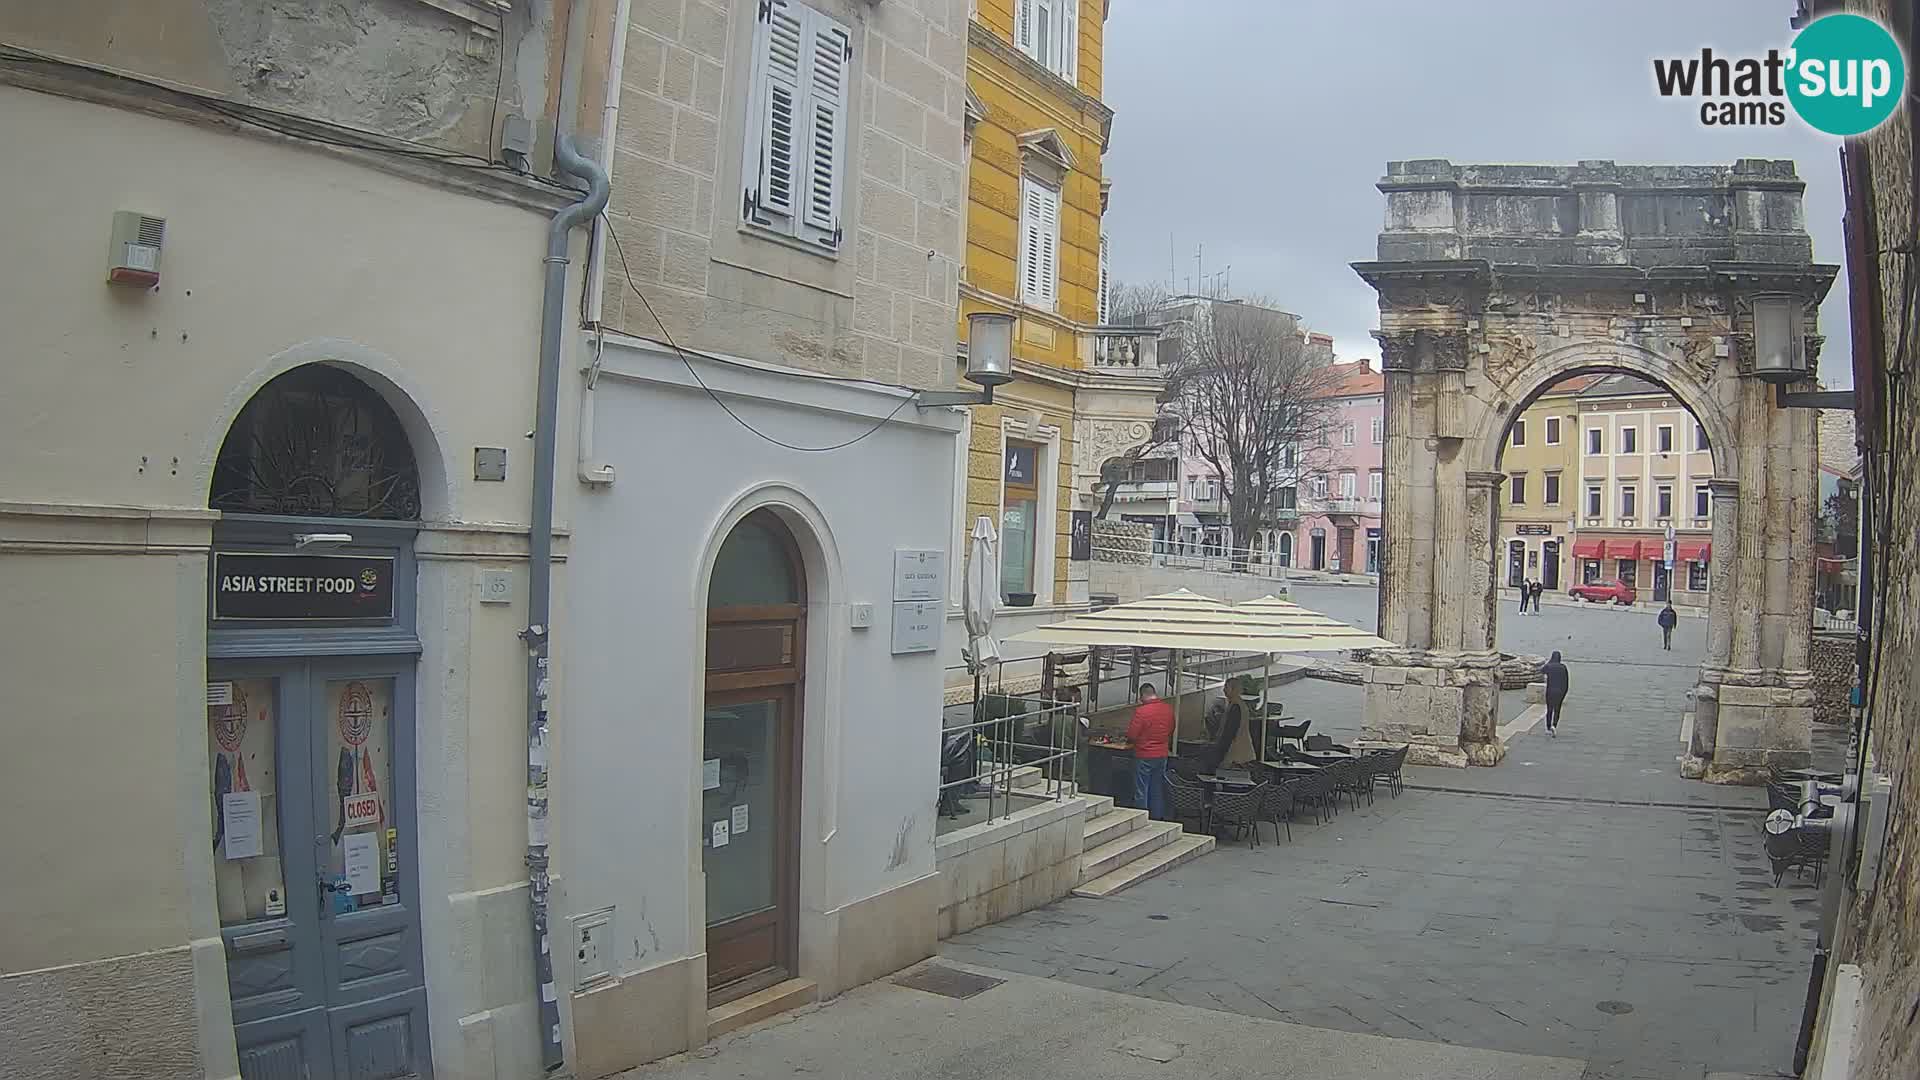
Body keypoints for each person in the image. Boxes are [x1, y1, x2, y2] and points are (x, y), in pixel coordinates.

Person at [1126, 683, 1176, 819]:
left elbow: (1132, 735)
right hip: (1162, 755)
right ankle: (1156, 818)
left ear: (1143, 695)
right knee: (1156, 789)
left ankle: (1141, 819)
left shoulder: (1141, 712)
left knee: (1141, 790)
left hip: (1144, 754)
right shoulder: (1168, 709)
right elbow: (1171, 729)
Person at [1542, 651, 1570, 737]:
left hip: (1550, 691)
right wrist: (1564, 693)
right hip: (1560, 692)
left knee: (1549, 709)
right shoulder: (1563, 667)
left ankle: (1548, 727)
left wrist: (1549, 662)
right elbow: (1566, 682)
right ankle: (1554, 725)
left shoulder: (1549, 666)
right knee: (1557, 710)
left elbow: (1541, 670)